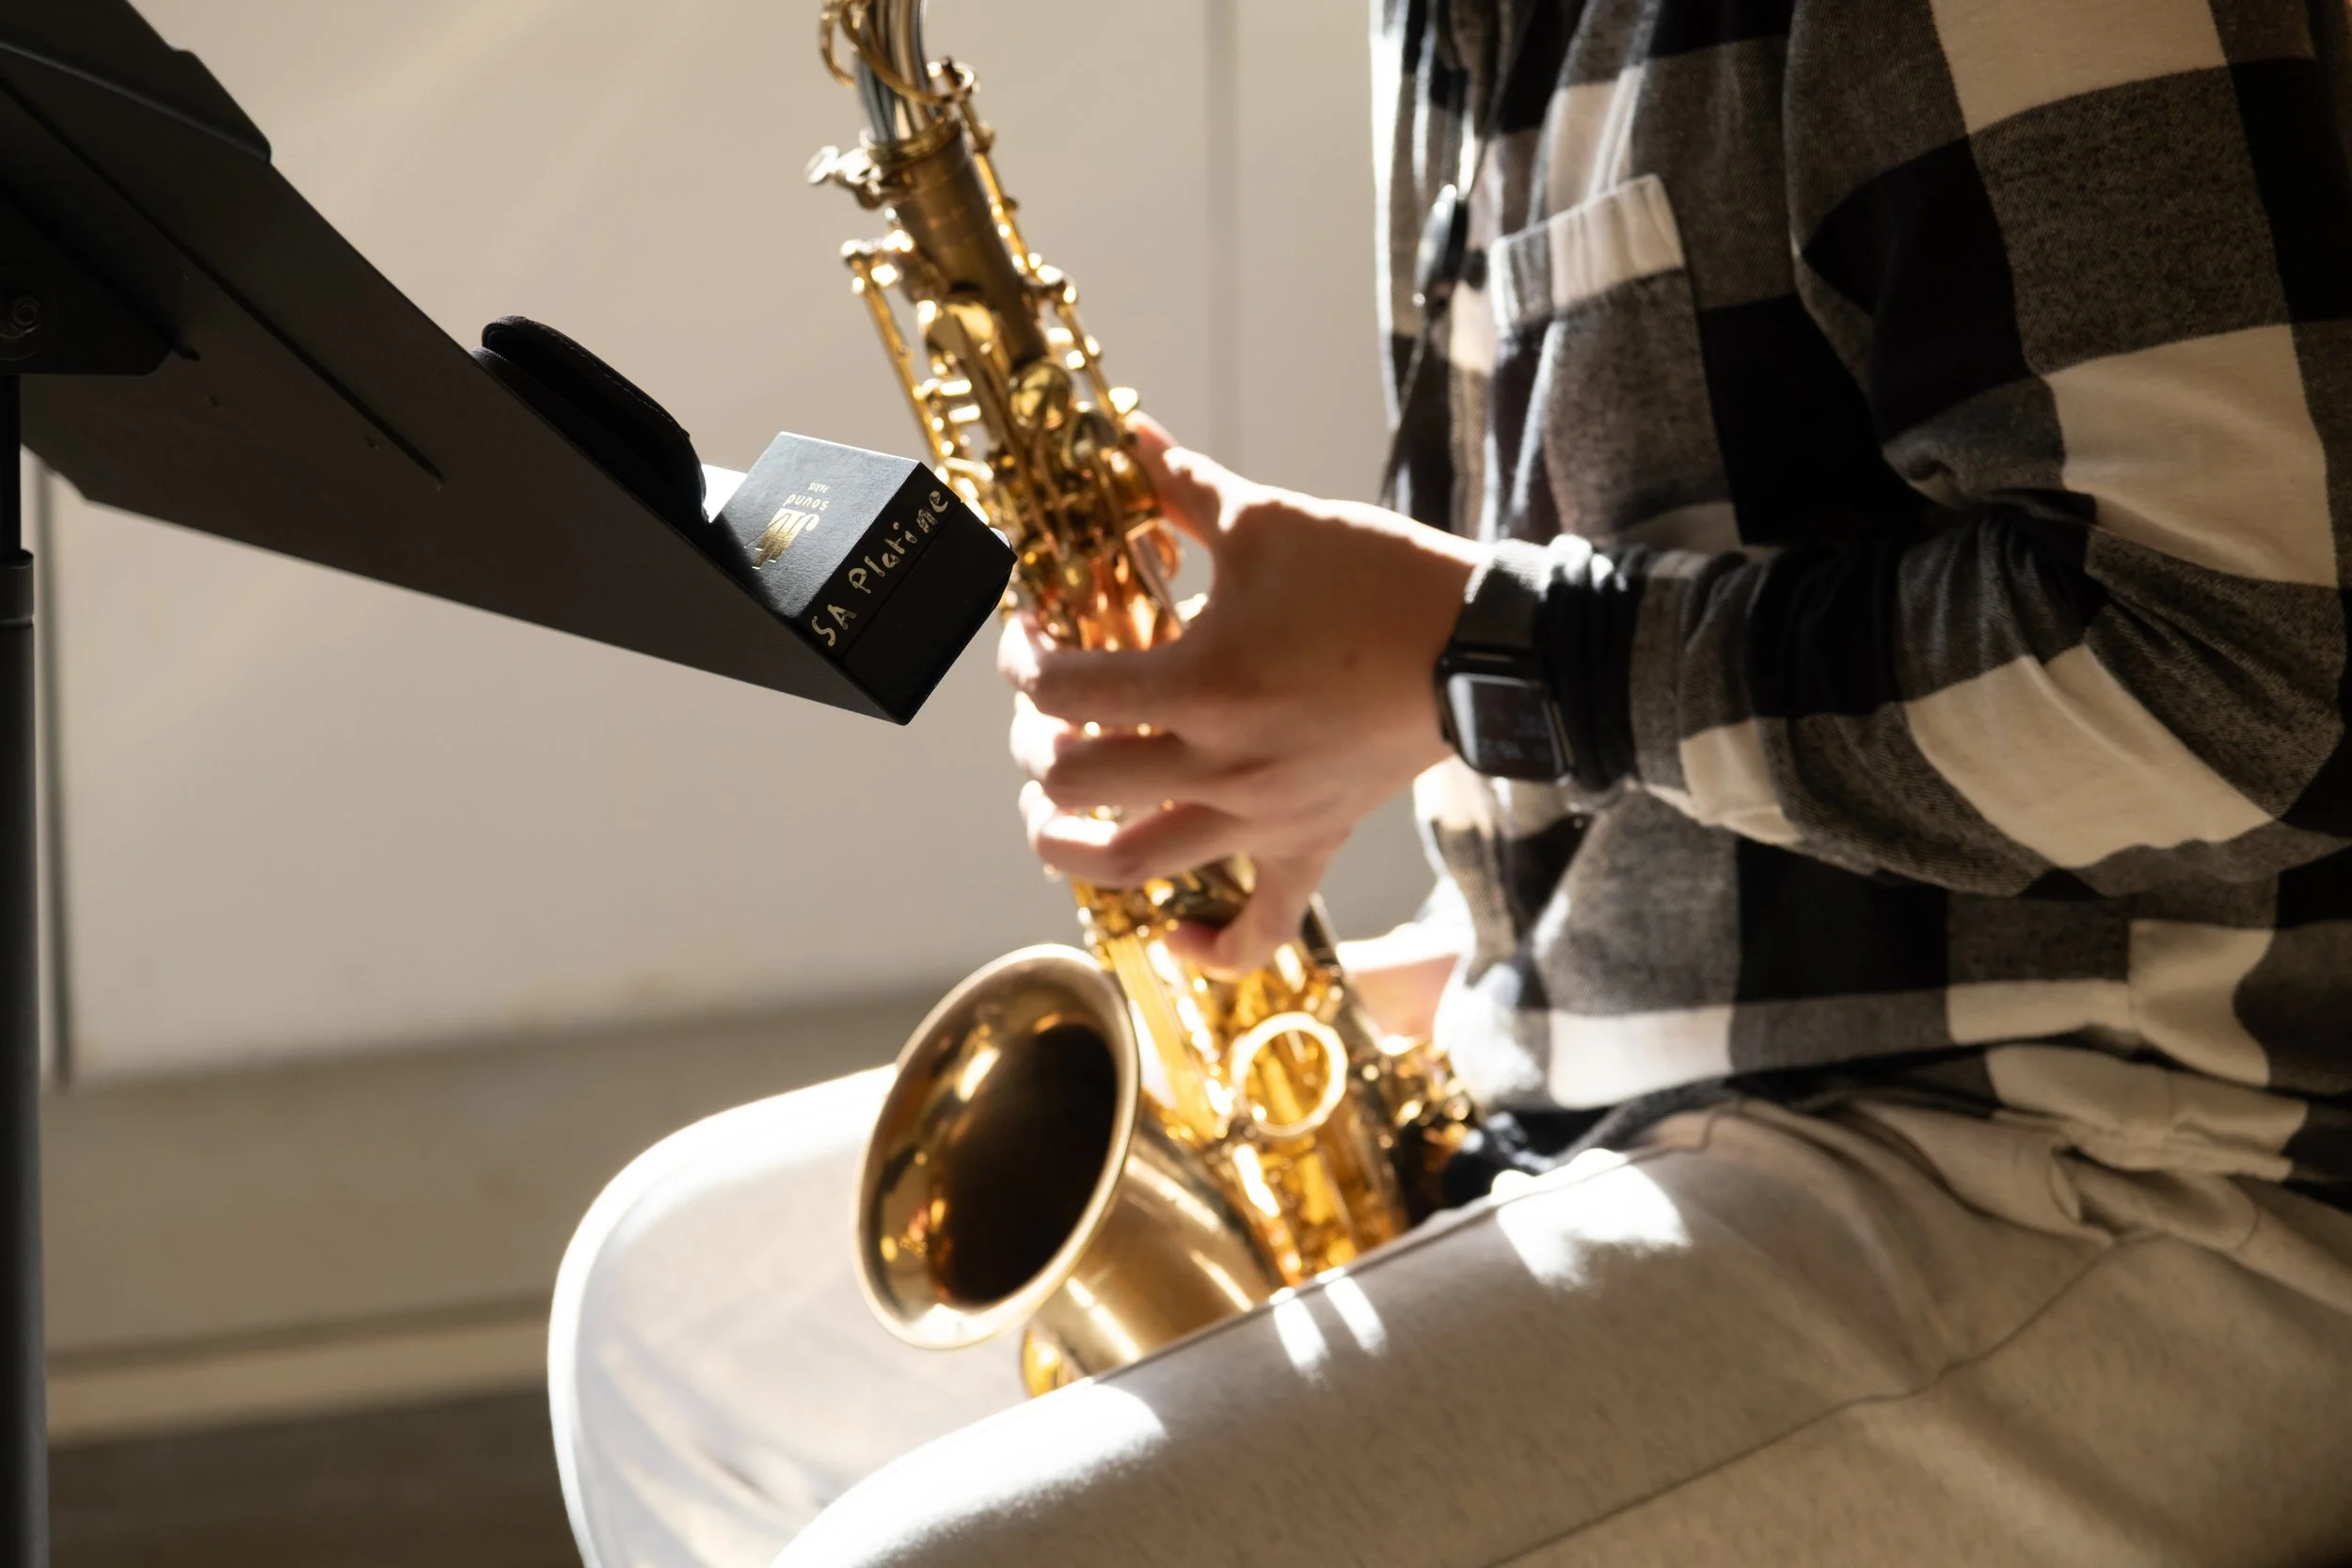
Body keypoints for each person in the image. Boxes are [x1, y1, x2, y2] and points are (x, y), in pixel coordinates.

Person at [549, 1, 2352, 1562]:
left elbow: (2253, 670)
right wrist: (1324, 763)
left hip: (2132, 1157)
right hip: (1687, 1056)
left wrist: (1475, 661)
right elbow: (1666, 602)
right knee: (670, 1306)